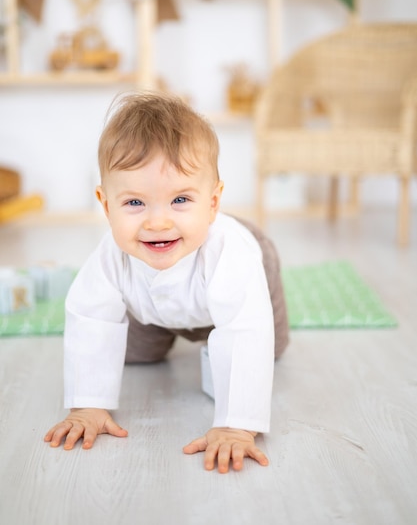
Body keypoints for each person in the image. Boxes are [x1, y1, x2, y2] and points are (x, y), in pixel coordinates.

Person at [44, 92, 289, 473]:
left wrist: (236, 426)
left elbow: (245, 330)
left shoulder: (231, 254)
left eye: (180, 200)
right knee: (138, 356)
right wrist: (88, 404)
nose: (157, 223)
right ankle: (162, 335)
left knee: (265, 347)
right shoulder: (112, 254)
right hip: (150, 306)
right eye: (135, 203)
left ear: (212, 202)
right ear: (106, 206)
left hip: (240, 290)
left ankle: (237, 353)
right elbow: (91, 316)